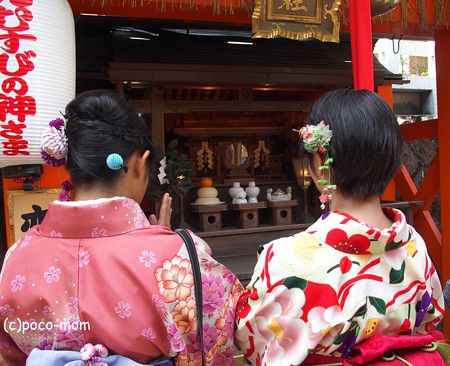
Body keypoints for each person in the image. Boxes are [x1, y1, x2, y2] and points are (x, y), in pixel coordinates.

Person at [0, 90, 242, 365]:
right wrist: (171, 250)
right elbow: (210, 348)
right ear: (139, 164)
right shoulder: (179, 260)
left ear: (69, 165)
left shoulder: (16, 257)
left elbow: (9, 354)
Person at [235, 89, 445, 366]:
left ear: (321, 165)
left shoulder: (283, 257)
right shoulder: (414, 244)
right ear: (392, 160)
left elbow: (252, 343)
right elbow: (431, 320)